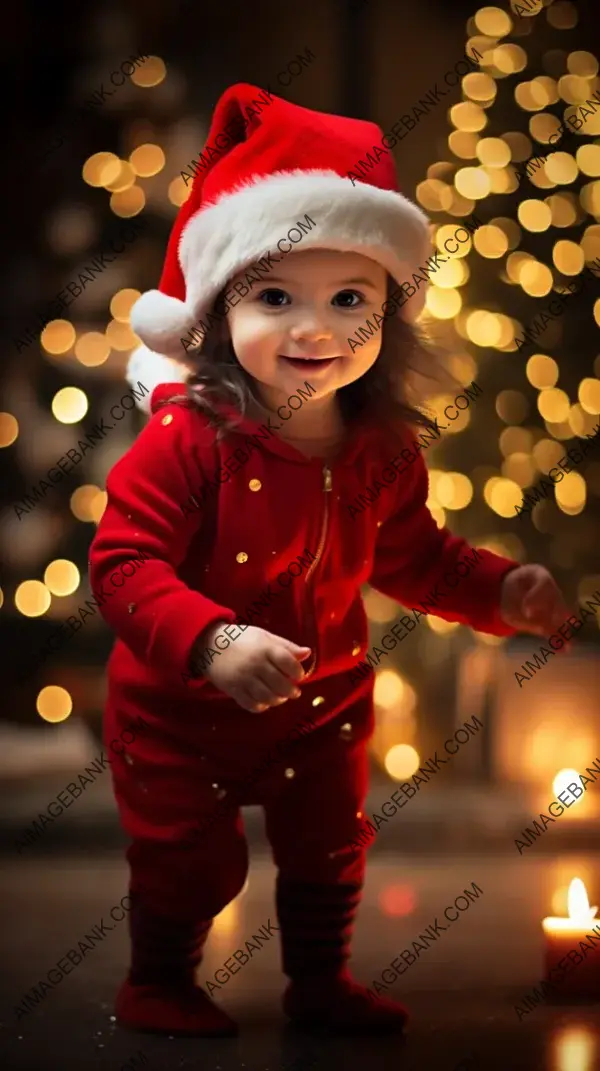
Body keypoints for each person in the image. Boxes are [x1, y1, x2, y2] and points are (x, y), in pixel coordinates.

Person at [89, 82, 570, 1038]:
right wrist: (213, 639)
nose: (315, 329)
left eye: (350, 299)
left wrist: (499, 590)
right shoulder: (190, 443)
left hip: (323, 698)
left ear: (388, 313)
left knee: (329, 844)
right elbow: (123, 566)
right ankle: (159, 979)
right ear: (221, 309)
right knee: (189, 857)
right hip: (181, 707)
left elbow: (412, 556)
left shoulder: (378, 449)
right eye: (276, 297)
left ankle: (320, 980)